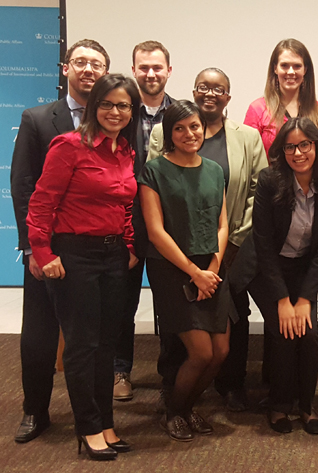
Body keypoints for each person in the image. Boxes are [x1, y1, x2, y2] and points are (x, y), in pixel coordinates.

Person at [26, 73, 141, 460]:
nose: (115, 111)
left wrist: (126, 244)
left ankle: (106, 423)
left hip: (112, 257)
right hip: (73, 256)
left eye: (123, 105)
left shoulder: (124, 150)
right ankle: (88, 428)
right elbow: (41, 203)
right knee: (82, 345)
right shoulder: (69, 146)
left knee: (107, 344)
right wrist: (42, 252)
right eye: (107, 103)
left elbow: (123, 203)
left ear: (132, 111)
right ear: (94, 106)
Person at [148, 68, 268, 413]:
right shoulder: (159, 151)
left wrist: (224, 253)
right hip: (175, 258)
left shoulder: (241, 142)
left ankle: (218, 393)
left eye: (219, 89)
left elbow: (249, 198)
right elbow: (157, 209)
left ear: (228, 97)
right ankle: (173, 399)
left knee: (225, 335)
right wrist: (194, 269)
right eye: (204, 87)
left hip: (226, 254)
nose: (211, 94)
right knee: (185, 338)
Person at [10, 39, 110, 444]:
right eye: (80, 62)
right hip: (46, 248)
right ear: (65, 67)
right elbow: (23, 187)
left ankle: (95, 416)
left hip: (93, 251)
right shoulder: (37, 119)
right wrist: (34, 248)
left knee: (91, 338)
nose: (88, 69)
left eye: (96, 64)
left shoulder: (114, 119)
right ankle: (35, 411)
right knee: (39, 334)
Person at [229, 117, 318, 435]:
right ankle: (279, 405)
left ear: (316, 146)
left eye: (304, 145)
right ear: (282, 150)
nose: (297, 153)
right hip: (266, 267)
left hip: (304, 268)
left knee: (308, 334)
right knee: (282, 330)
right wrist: (282, 298)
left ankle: (306, 406)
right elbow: (264, 244)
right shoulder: (270, 180)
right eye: (290, 146)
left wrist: (305, 298)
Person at [140, 100, 237, 442]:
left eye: (194, 126)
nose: (188, 134)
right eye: (179, 128)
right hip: (173, 270)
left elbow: (224, 224)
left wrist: (211, 268)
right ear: (169, 133)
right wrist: (194, 272)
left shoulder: (214, 169)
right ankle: (174, 412)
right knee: (201, 353)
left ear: (204, 127)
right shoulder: (154, 170)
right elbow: (156, 232)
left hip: (211, 269)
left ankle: (188, 407)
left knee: (221, 353)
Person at [113, 40, 175, 403]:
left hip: (168, 229)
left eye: (157, 67)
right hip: (127, 226)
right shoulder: (120, 112)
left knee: (169, 305)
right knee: (124, 305)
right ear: (134, 70)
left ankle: (171, 372)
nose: (151, 73)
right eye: (144, 67)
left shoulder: (183, 113)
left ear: (169, 70)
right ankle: (120, 370)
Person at [244, 38, 318, 153]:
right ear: (275, 68)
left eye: (297, 66)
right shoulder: (257, 109)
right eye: (285, 65)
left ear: (305, 70)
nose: (291, 72)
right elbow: (248, 156)